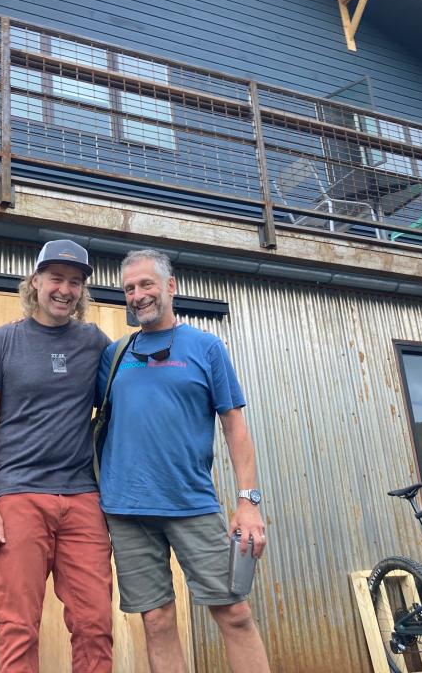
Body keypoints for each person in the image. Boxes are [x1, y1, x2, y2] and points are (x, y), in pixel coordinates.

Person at [98, 248, 270, 673]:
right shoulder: (115, 355)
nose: (137, 295)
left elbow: (235, 427)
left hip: (191, 503)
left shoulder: (206, 347)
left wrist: (248, 502)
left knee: (234, 613)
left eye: (146, 284)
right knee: (156, 621)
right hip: (126, 509)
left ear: (170, 287)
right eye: (129, 288)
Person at [0, 239, 113, 673]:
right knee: (18, 627)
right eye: (56, 278)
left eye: (75, 282)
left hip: (84, 500)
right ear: (35, 282)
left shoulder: (95, 344)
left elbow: (126, 400)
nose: (65, 289)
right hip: (18, 497)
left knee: (94, 624)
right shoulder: (1, 343)